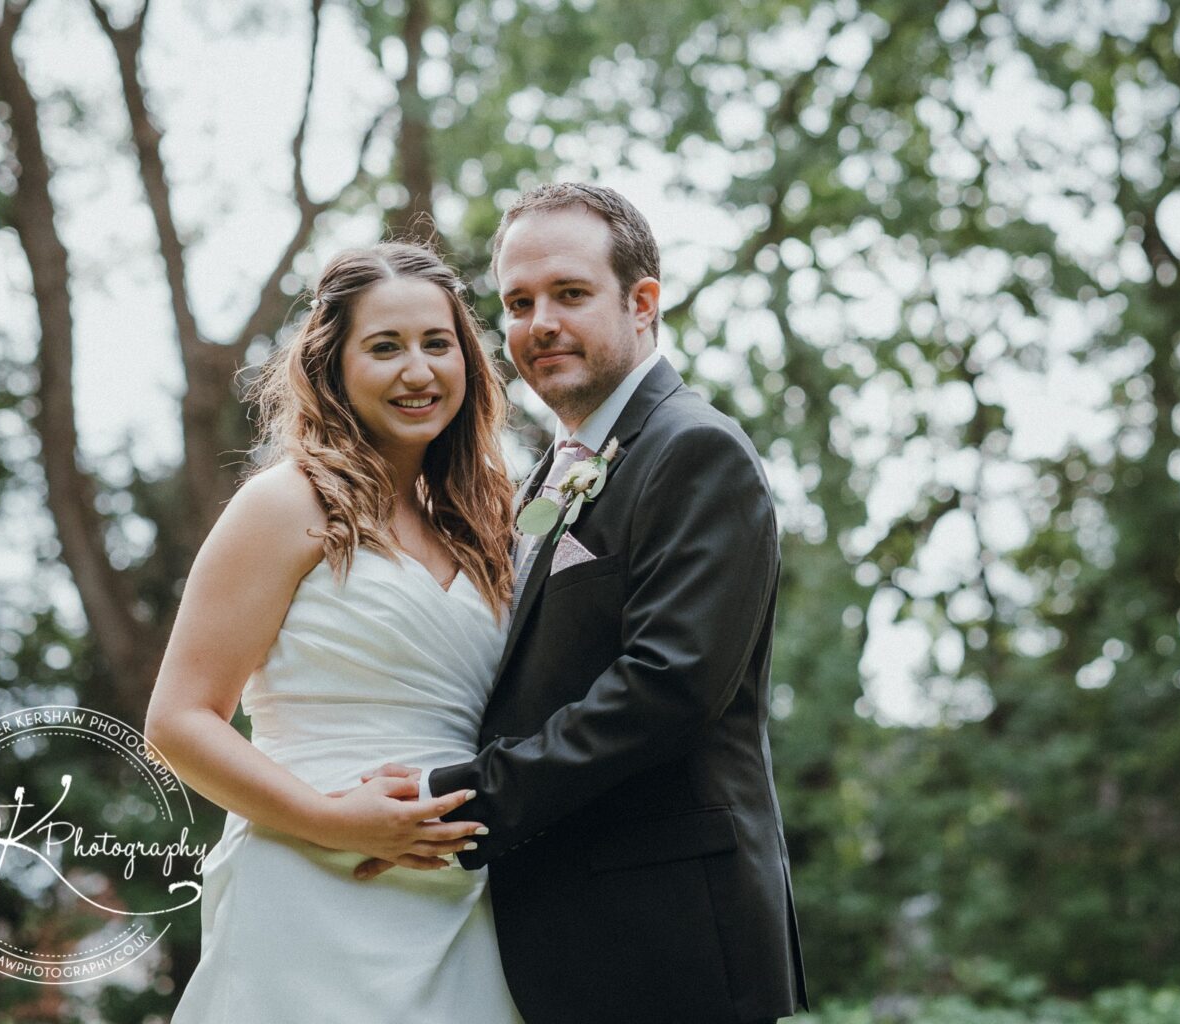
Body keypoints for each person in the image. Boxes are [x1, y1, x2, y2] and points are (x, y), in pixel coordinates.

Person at [359, 183, 808, 1023]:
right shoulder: (553, 469)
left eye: (569, 294)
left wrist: (462, 801)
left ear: (643, 303)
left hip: (669, 943)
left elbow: (665, 690)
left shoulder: (694, 449)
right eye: (519, 302)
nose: (539, 325)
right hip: (566, 936)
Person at [145, 242, 523, 1022]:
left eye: (436, 344)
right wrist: (335, 820)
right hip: (312, 885)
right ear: (333, 365)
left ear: (468, 361)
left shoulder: (484, 527)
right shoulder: (286, 505)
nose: (417, 371)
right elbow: (177, 722)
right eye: (384, 347)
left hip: (463, 902)